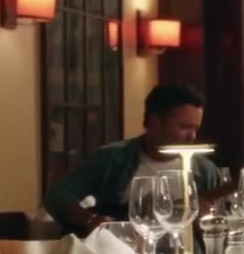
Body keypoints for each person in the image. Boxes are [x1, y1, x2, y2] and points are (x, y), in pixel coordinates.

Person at [41, 82, 226, 234]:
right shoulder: (112, 159)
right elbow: (57, 196)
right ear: (154, 121)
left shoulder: (205, 170)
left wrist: (204, 220)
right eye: (184, 127)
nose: (192, 137)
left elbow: (220, 230)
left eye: (195, 128)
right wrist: (90, 220)